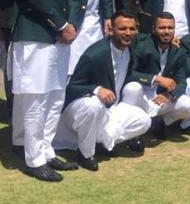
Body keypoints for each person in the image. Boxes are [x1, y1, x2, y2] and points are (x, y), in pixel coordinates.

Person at [11, 0, 81, 181]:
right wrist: (61, 24)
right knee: (36, 98)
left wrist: (72, 23)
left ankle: (47, 150)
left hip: (61, 38)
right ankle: (34, 159)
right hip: (35, 34)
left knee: (55, 96)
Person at [61, 11, 152, 171]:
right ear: (111, 30)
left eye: (132, 29)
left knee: (144, 121)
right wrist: (96, 89)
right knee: (93, 105)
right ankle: (85, 154)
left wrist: (174, 42)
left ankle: (103, 142)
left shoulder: (130, 48)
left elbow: (151, 39)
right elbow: (71, 88)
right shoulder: (95, 54)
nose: (128, 33)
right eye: (122, 29)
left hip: (110, 110)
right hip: (80, 111)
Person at [121, 12, 190, 140]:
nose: (166, 31)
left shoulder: (179, 52)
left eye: (170, 28)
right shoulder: (142, 46)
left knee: (189, 106)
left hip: (160, 97)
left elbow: (182, 81)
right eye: (162, 28)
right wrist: (155, 79)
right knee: (132, 88)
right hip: (142, 96)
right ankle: (133, 132)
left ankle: (158, 123)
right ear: (154, 29)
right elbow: (130, 74)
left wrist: (170, 94)